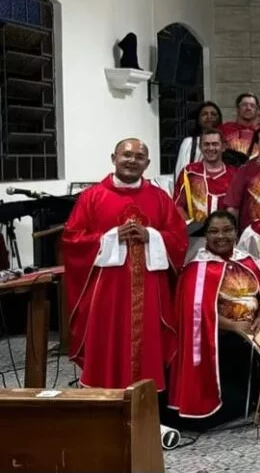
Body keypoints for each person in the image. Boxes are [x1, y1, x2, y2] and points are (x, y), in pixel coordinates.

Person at [63, 138, 188, 391]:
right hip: (108, 291)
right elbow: (71, 239)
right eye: (126, 155)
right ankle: (104, 398)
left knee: (148, 345)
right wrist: (110, 237)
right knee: (108, 339)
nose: (132, 161)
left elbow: (179, 239)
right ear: (114, 158)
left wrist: (151, 236)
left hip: (150, 289)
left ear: (147, 163)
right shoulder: (92, 197)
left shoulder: (159, 198)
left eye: (139, 157)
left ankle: (147, 404)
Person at [168, 211, 260, 427]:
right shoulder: (195, 269)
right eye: (214, 231)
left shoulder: (247, 261)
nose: (221, 236)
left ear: (236, 232)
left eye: (227, 230)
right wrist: (234, 326)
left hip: (253, 332)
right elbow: (195, 315)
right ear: (206, 235)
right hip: (217, 340)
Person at [173, 129, 238, 224]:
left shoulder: (235, 174)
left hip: (226, 234)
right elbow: (177, 206)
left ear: (223, 147)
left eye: (215, 144)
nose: (211, 148)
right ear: (200, 147)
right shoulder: (189, 172)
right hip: (195, 234)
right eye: (206, 144)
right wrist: (189, 226)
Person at [175, 101, 223, 178]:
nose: (209, 117)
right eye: (204, 114)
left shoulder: (226, 142)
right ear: (198, 119)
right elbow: (180, 172)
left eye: (213, 114)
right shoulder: (189, 142)